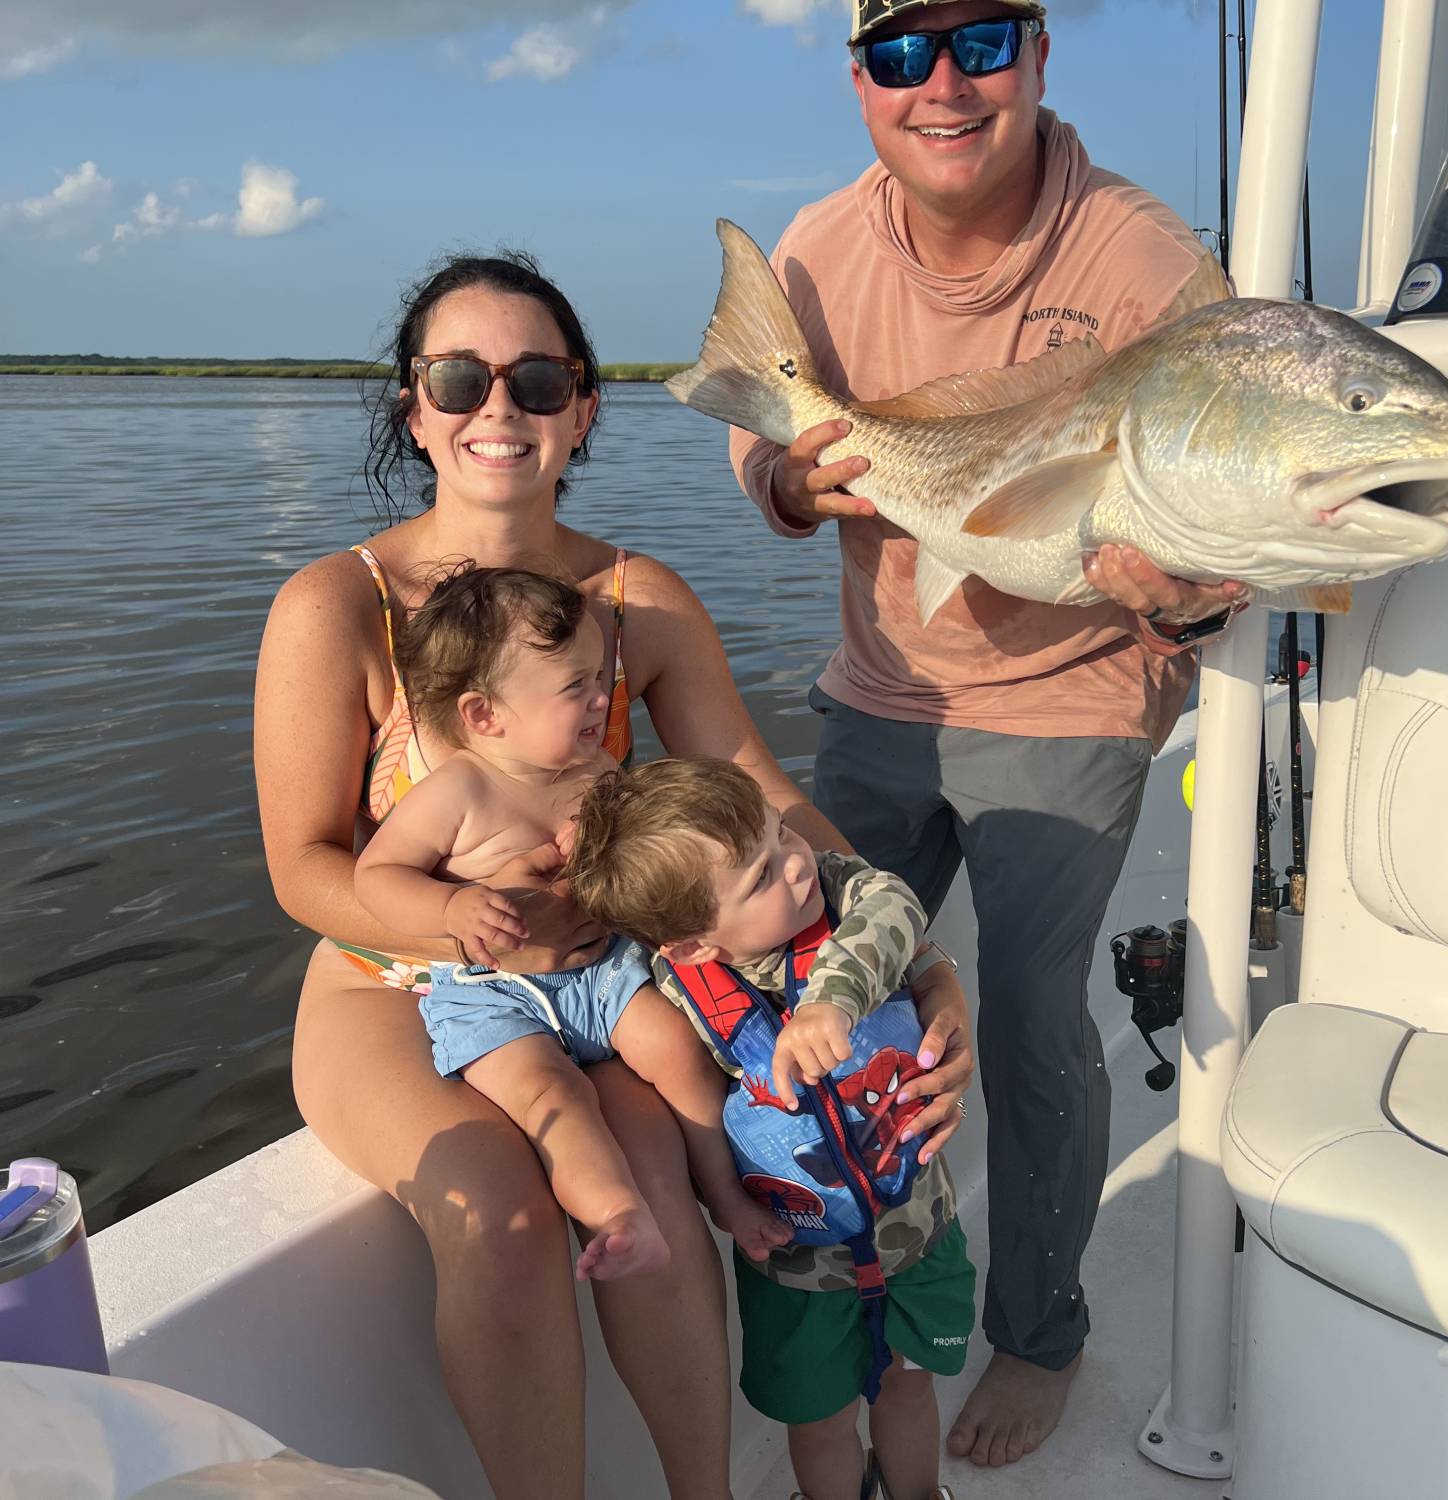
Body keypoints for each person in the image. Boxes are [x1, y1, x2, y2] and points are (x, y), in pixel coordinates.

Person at [254, 247, 978, 1498]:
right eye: (458, 377)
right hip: (391, 989)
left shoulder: (637, 601)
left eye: (539, 379)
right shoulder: (336, 609)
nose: (499, 409)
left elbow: (763, 792)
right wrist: (475, 932)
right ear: (413, 406)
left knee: (659, 1175)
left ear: (584, 408)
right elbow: (303, 868)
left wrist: (908, 957)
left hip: (605, 991)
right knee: (504, 1210)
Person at [728, 0, 1248, 1469]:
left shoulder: (1142, 258)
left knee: (1028, 1023)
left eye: (980, 41)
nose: (941, 83)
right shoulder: (819, 248)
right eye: (901, 50)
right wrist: (786, 480)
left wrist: (1189, 605)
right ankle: (826, 1294)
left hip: (1077, 688)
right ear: (857, 77)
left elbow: (1225, 514)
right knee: (798, 999)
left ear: (1037, 51)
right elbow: (759, 425)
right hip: (881, 682)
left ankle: (1040, 1330)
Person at [353, 563, 793, 1276]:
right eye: (575, 688)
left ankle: (726, 1194)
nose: (600, 699)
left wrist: (601, 859)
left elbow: (643, 869)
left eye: (600, 679)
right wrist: (453, 906)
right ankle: (616, 1216)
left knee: (676, 1049)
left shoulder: (596, 777)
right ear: (485, 716)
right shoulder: (457, 790)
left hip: (603, 973)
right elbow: (376, 877)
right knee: (552, 1093)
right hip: (492, 993)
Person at [568, 756, 976, 1500]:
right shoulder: (677, 993)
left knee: (908, 1392)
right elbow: (689, 1103)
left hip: (918, 1234)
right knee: (817, 1423)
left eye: (779, 832)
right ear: (693, 945)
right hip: (796, 1269)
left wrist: (835, 1001)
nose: (793, 863)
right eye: (759, 875)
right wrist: (726, 1201)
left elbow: (897, 907)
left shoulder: (846, 893)